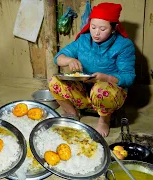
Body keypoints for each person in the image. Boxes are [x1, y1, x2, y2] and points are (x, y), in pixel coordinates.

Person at [49, 2, 136, 137]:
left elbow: (129, 77)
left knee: (100, 90)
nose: (96, 33)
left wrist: (106, 78)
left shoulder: (124, 45)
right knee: (54, 81)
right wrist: (69, 60)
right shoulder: (84, 39)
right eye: (93, 27)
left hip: (108, 94)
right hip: (84, 92)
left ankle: (104, 120)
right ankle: (72, 113)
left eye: (102, 29)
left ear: (114, 28)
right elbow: (58, 57)